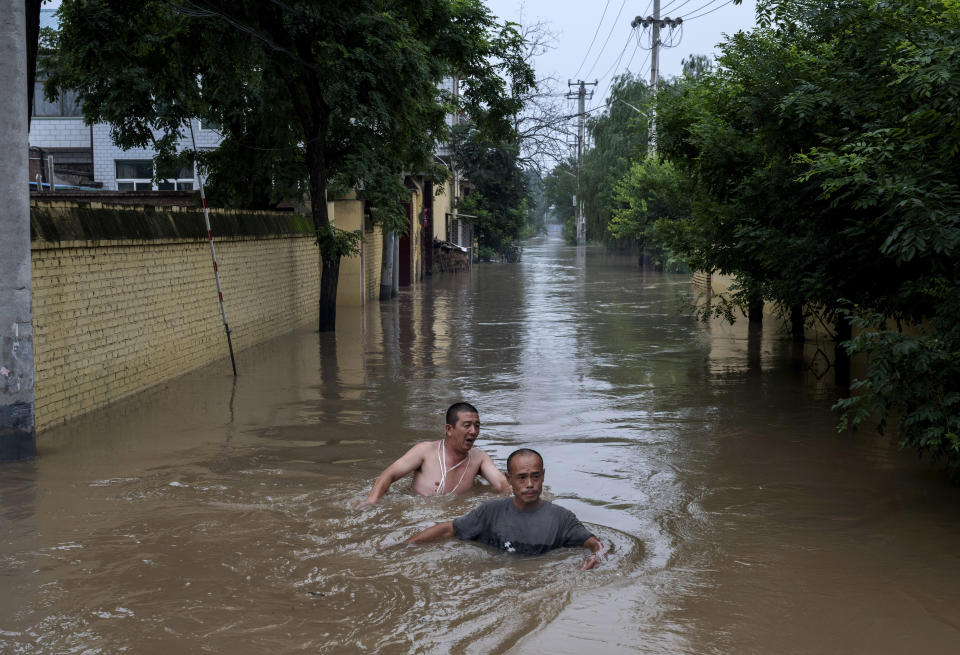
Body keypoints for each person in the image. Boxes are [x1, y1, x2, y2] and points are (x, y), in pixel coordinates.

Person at [401, 448, 606, 570]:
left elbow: (595, 543)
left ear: (543, 476)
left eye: (535, 476)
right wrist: (405, 545)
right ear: (509, 479)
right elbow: (448, 529)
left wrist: (597, 556)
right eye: (522, 477)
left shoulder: (561, 518)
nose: (529, 484)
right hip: (497, 575)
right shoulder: (490, 512)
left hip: (537, 579)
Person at [355, 402, 510, 506]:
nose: (474, 431)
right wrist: (371, 502)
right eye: (467, 425)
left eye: (477, 426)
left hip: (456, 515)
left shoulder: (479, 458)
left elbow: (502, 485)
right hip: (418, 512)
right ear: (449, 429)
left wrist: (513, 487)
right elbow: (387, 475)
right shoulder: (425, 451)